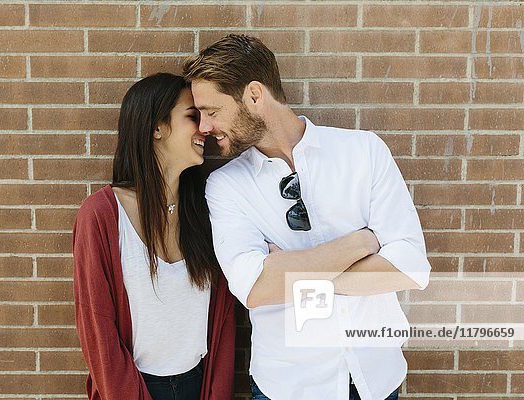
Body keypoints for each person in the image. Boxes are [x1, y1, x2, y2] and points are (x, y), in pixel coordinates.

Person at [182, 34, 431, 400]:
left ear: (254, 95)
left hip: (375, 379)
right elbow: (254, 288)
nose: (203, 127)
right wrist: (360, 242)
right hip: (288, 387)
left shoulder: (363, 152)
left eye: (212, 111)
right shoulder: (225, 187)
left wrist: (290, 273)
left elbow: (410, 267)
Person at [72, 73, 236, 400]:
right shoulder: (102, 216)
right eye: (192, 116)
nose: (205, 127)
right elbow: (98, 333)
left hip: (198, 386)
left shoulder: (207, 212)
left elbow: (224, 322)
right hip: (132, 389)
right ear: (157, 128)